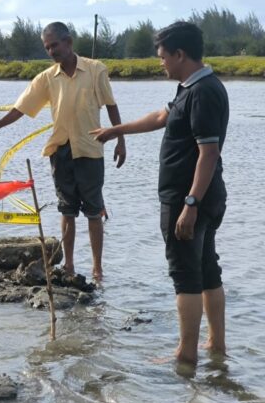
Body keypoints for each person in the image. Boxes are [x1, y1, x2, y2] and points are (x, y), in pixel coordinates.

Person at [92, 21, 228, 367]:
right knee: (207, 269)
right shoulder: (191, 87)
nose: (160, 62)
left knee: (185, 275)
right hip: (200, 197)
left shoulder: (203, 92)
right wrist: (116, 131)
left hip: (189, 199)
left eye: (163, 56)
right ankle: (215, 346)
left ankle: (186, 355)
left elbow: (208, 153)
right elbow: (159, 116)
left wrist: (190, 204)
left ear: (180, 54)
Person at [0, 22, 126, 280]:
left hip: (90, 150)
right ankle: (69, 265)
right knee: (66, 210)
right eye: (47, 47)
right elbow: (20, 109)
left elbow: (111, 105)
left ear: (69, 42)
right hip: (61, 150)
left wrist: (121, 139)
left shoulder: (95, 69)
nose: (52, 51)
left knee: (93, 210)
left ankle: (97, 268)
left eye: (55, 45)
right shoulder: (46, 78)